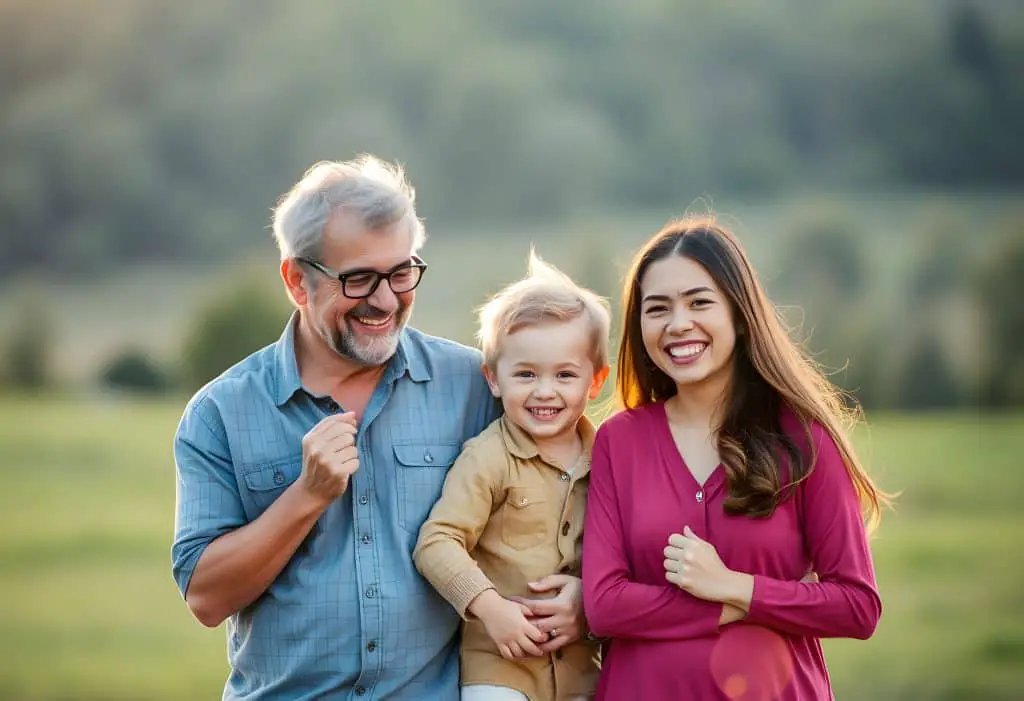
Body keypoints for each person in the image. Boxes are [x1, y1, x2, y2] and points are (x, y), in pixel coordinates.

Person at [171, 155, 585, 700]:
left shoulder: (475, 387)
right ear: (298, 281)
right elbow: (207, 598)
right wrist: (307, 495)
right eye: (360, 278)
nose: (387, 300)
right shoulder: (219, 413)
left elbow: (560, 496)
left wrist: (585, 598)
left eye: (401, 272)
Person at [581, 216, 891, 700]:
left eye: (699, 302)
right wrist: (722, 605)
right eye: (656, 308)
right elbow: (604, 605)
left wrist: (736, 586)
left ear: (740, 315)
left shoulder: (804, 440)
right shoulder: (618, 441)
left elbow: (856, 606)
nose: (677, 323)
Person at [413, 252, 611, 701]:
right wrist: (491, 608)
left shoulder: (608, 459)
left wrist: (588, 595)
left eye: (565, 374)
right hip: (499, 666)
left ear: (595, 382)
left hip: (582, 664)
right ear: (494, 378)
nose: (545, 391)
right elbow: (437, 542)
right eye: (525, 374)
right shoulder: (488, 458)